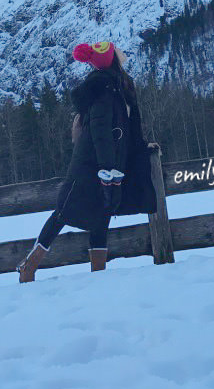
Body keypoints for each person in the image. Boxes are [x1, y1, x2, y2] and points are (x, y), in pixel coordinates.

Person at [16, 40, 158, 282]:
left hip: (108, 163)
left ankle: (98, 276)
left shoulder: (116, 86)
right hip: (92, 165)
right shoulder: (105, 88)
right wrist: (106, 167)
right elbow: (101, 132)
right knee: (64, 211)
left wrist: (137, 151)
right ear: (113, 60)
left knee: (102, 214)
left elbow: (127, 127)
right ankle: (30, 266)